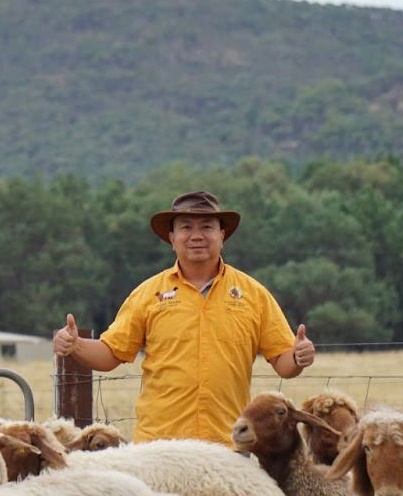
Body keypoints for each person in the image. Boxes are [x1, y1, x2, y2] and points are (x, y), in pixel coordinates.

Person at [52, 190, 315, 445]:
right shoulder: (148, 294)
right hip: (160, 446)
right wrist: (75, 345)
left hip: (228, 445)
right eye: (186, 227)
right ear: (172, 237)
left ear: (222, 235)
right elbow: (110, 354)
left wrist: (297, 357)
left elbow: (283, 361)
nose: (196, 235)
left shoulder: (253, 294)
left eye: (207, 227)